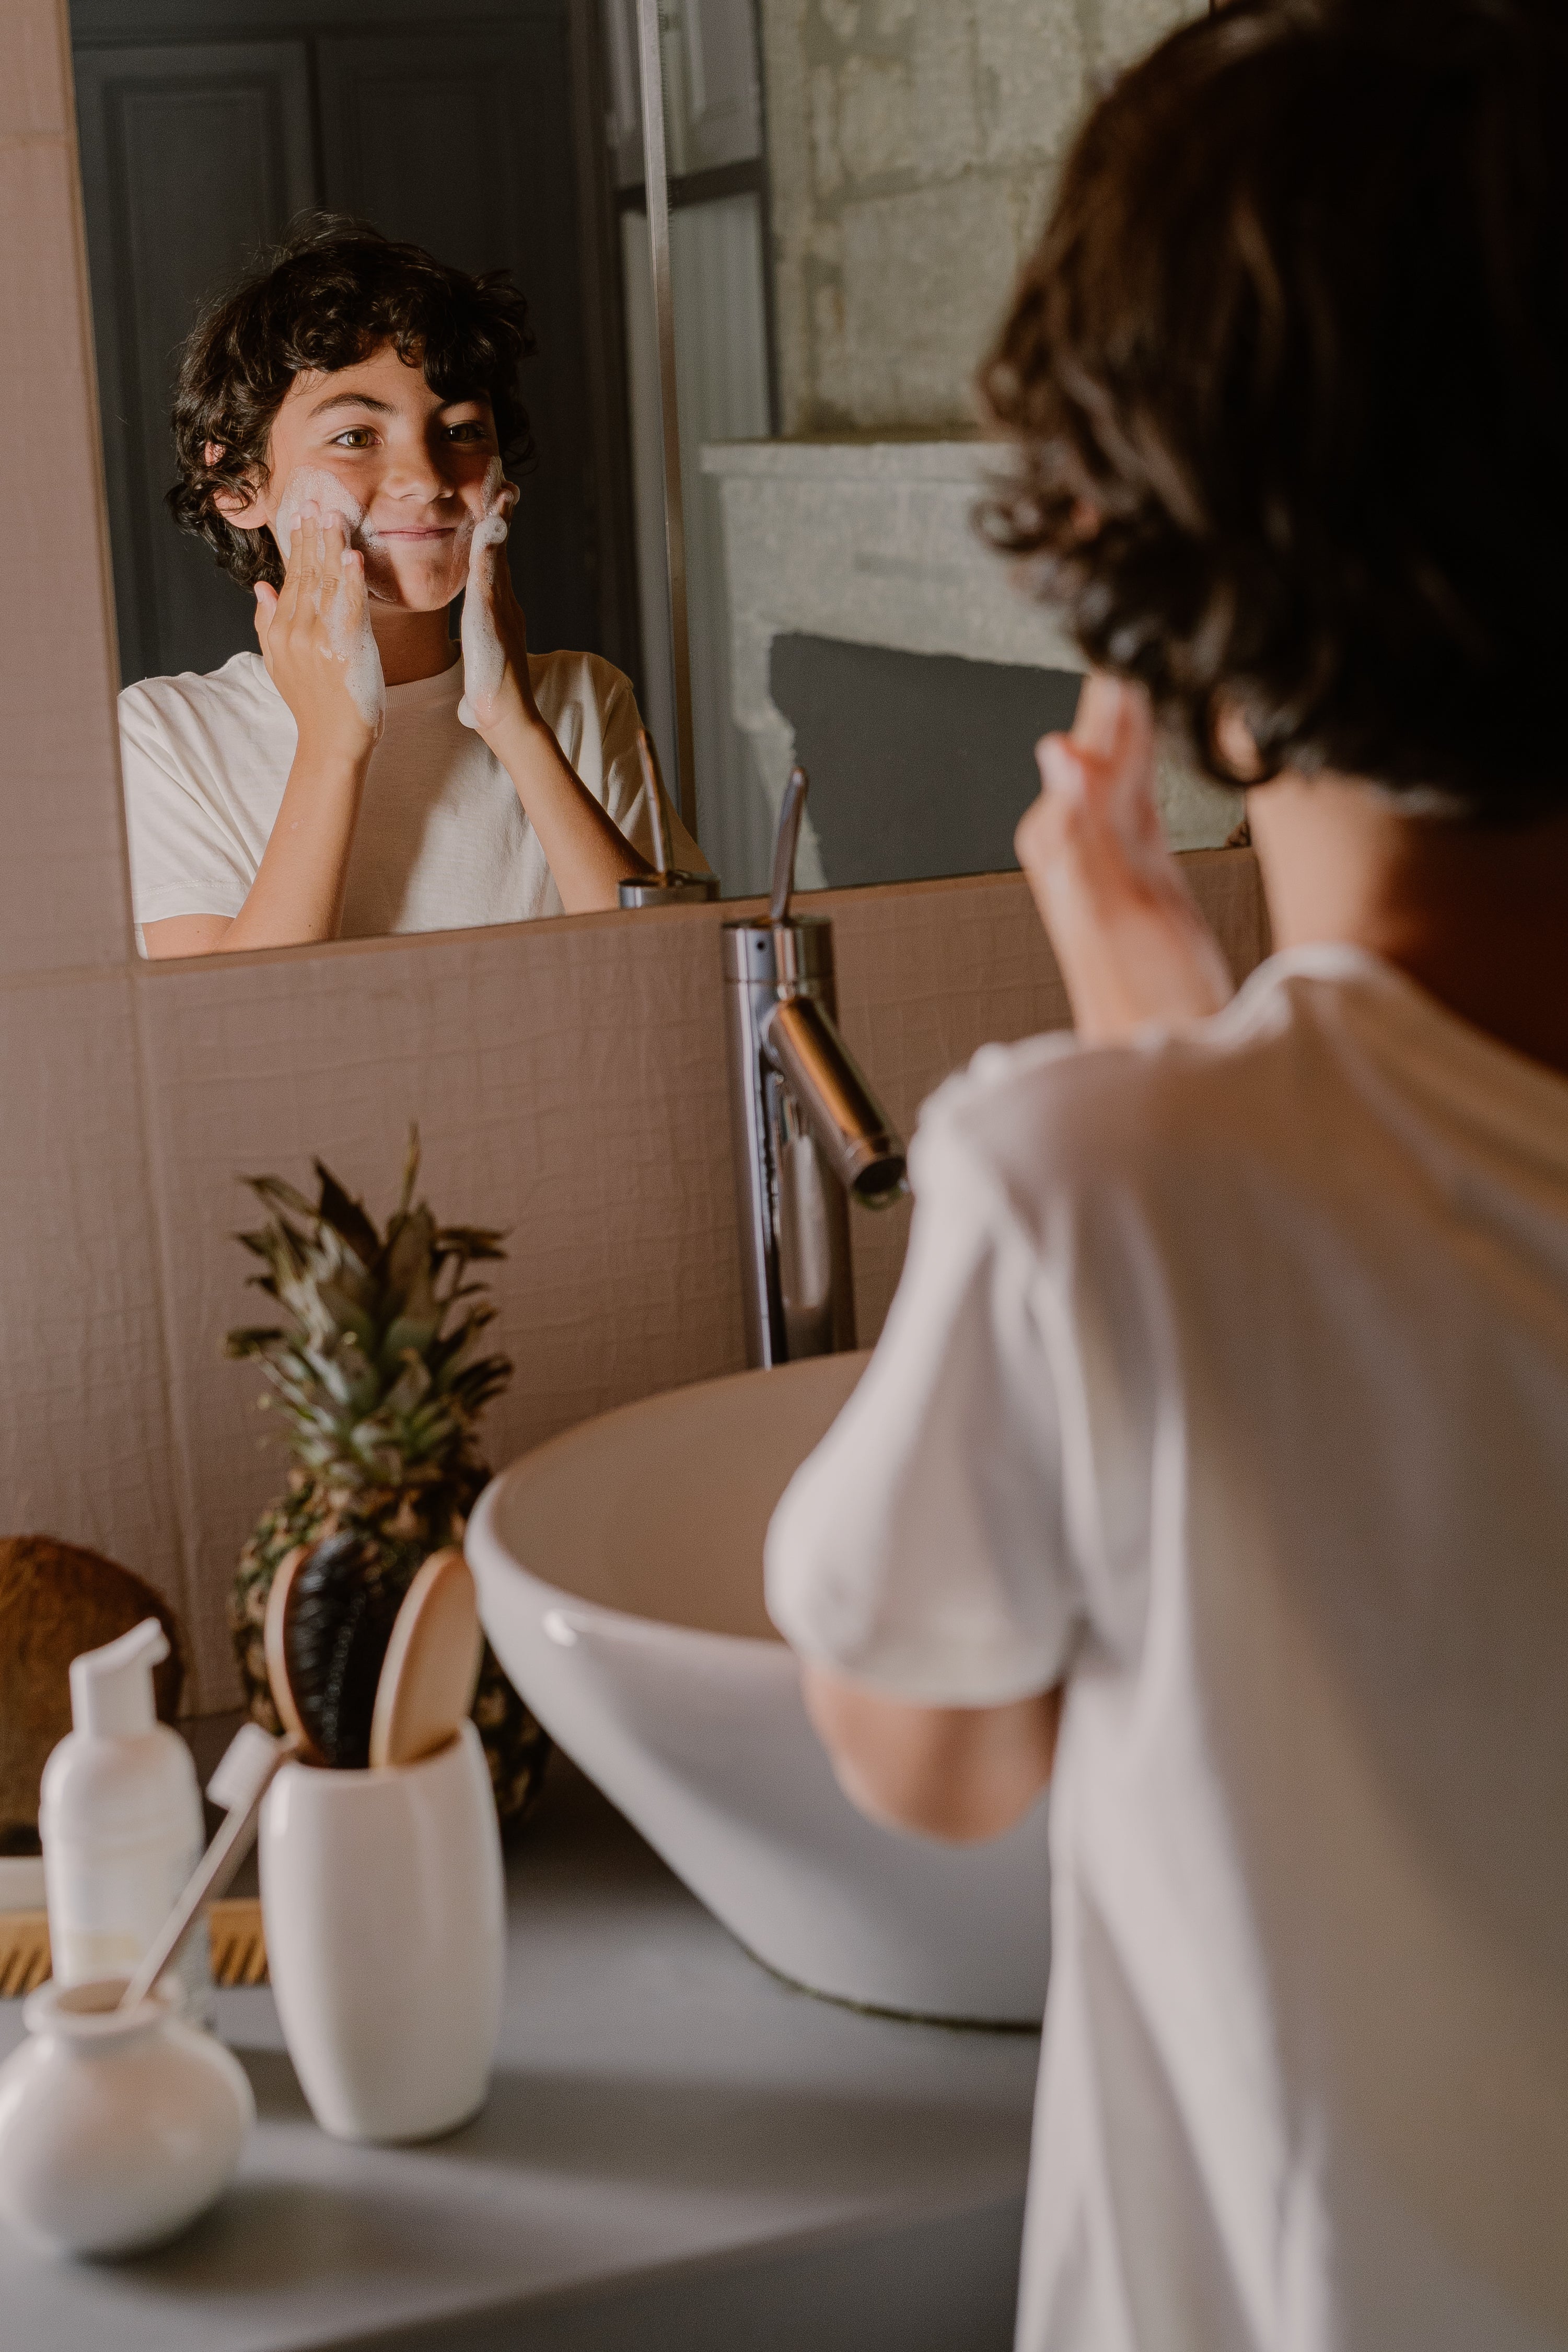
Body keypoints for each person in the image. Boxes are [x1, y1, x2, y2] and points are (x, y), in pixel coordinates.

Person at [764, 2, 1568, 2346]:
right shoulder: (1152, 1165)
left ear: (1156, 584)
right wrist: (1191, 1062)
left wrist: (1154, 1088)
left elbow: (922, 1741)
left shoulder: (1088, 1191)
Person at [122, 217, 696, 957]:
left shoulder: (584, 702)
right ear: (238, 484)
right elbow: (226, 1042)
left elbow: (674, 982)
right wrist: (334, 743)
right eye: (356, 436)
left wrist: (516, 729)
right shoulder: (168, 737)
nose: (426, 480)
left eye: (460, 431)